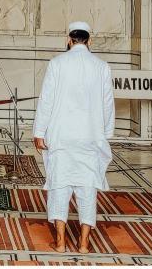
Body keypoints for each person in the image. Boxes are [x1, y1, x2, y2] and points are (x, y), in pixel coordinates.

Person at [33, 21, 115, 254]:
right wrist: (105, 134)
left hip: (61, 136)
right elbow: (108, 103)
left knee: (60, 186)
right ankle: (84, 243)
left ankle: (60, 243)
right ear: (89, 41)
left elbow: (46, 100)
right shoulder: (101, 66)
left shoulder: (57, 63)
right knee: (87, 188)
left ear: (69, 40)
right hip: (90, 137)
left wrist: (39, 132)